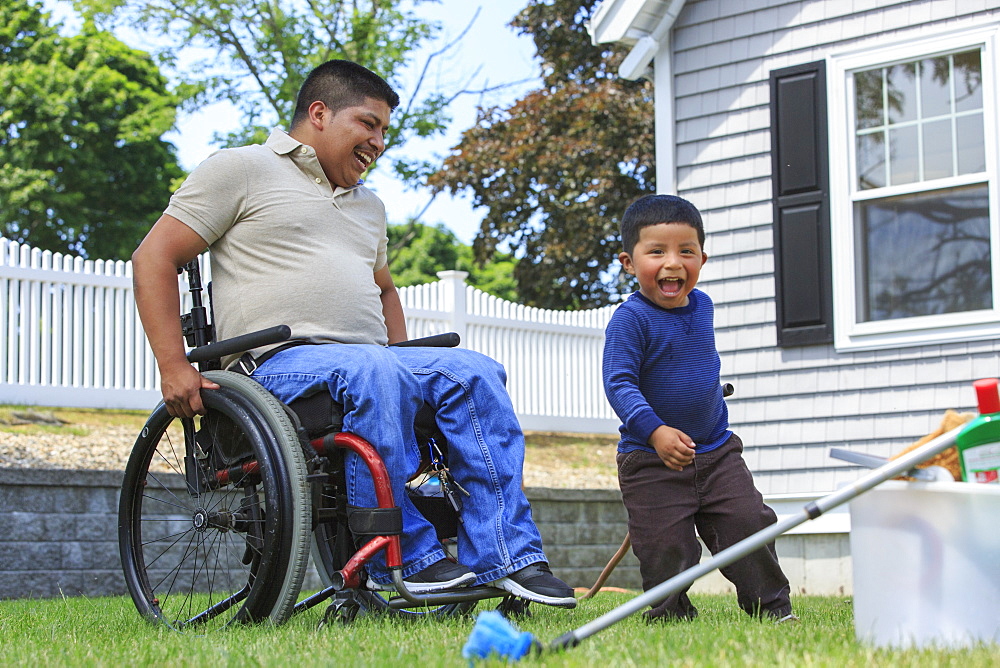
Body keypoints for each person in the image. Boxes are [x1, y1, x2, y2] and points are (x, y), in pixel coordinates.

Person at [131, 59, 575, 608]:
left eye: (385, 130)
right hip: (276, 368)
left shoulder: (370, 206)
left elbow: (386, 290)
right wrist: (173, 366)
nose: (379, 142)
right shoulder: (239, 170)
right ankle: (407, 556)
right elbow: (154, 256)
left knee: (476, 371)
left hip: (367, 363)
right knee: (374, 368)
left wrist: (399, 359)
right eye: (368, 124)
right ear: (319, 113)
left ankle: (510, 558)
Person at [602, 194, 794, 622]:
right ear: (628, 263)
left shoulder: (702, 306)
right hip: (651, 461)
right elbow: (619, 384)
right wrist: (655, 430)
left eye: (686, 251)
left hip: (717, 452)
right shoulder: (630, 320)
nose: (673, 263)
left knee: (750, 523)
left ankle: (773, 610)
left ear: (702, 259)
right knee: (664, 546)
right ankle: (672, 616)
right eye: (657, 252)